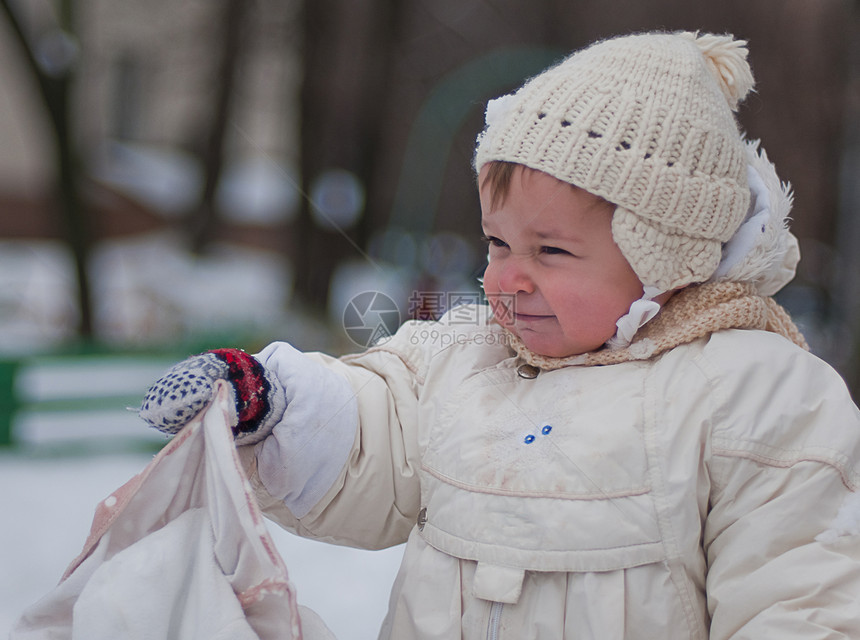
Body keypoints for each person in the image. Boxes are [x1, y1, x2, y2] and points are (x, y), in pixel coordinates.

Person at [140, 31, 860, 639]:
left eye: (550, 252)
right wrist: (272, 402)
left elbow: (800, 597)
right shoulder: (465, 359)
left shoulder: (755, 395)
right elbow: (375, 422)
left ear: (667, 257)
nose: (505, 280)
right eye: (496, 244)